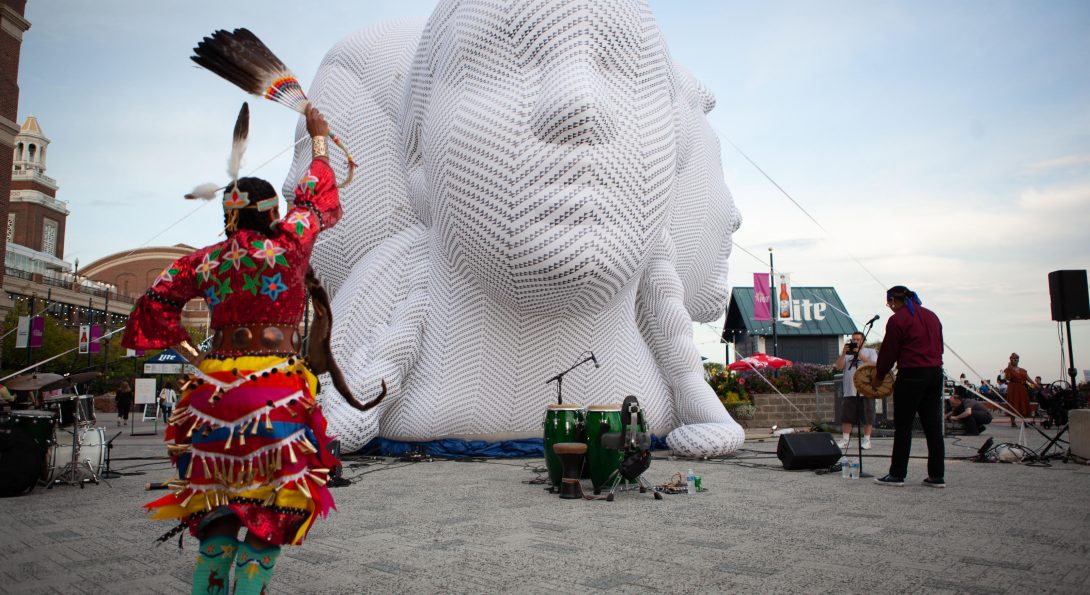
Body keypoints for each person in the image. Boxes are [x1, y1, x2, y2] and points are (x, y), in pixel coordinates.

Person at [123, 104, 354, 595]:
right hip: (272, 393)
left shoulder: (203, 262)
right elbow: (314, 201)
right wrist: (319, 138)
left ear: (228, 215)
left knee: (216, 513)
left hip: (211, 397)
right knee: (273, 513)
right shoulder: (287, 246)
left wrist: (192, 357)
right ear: (270, 214)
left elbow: (153, 304)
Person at [871, 285, 946, 488]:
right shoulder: (931, 316)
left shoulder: (898, 320)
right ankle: (937, 475)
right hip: (935, 372)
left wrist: (879, 375)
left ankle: (897, 474)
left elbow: (889, 351)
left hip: (912, 373)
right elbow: (940, 344)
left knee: (903, 426)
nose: (889, 307)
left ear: (894, 301)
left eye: (889, 304)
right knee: (933, 426)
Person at [835, 331, 877, 449]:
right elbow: (838, 366)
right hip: (850, 390)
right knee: (847, 416)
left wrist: (860, 355)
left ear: (863, 341)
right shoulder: (847, 353)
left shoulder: (871, 352)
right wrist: (843, 354)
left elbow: (874, 365)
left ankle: (867, 440)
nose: (855, 341)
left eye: (858, 339)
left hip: (866, 389)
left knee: (867, 416)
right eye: (853, 339)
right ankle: (845, 440)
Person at [1003, 353, 1033, 426]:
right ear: (1011, 360)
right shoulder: (1008, 369)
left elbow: (1028, 378)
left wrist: (1035, 384)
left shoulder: (1022, 370)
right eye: (1013, 358)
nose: (1015, 360)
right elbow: (1008, 378)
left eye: (1016, 358)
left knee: (1023, 403)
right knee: (1013, 402)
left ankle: (1024, 420)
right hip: (1013, 388)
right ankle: (1013, 421)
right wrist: (1009, 368)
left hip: (1022, 388)